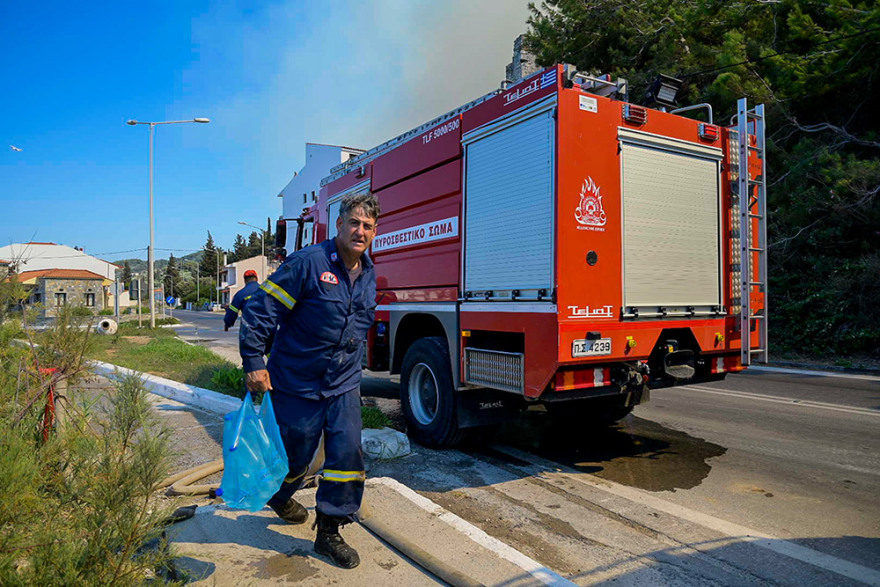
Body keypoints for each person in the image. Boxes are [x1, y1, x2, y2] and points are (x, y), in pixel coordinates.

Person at [239, 193, 379, 569]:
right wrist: (254, 361)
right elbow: (261, 310)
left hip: (343, 383)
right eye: (354, 222)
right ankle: (280, 494)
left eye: (367, 226)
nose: (360, 231)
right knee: (296, 453)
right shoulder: (307, 263)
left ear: (374, 232)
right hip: (297, 379)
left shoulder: (368, 273)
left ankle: (329, 531)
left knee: (347, 453)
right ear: (339, 224)